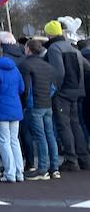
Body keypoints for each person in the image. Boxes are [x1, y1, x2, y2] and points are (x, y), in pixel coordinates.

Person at [44, 20, 90, 171]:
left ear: (49, 34)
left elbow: (59, 72)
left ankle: (71, 159)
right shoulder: (74, 49)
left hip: (63, 93)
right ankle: (84, 158)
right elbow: (86, 66)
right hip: (77, 91)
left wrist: (54, 90)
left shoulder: (54, 49)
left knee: (64, 126)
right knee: (76, 124)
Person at [0, 42, 26, 182]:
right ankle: (19, 172)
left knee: (4, 141)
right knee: (14, 141)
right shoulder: (15, 68)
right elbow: (21, 88)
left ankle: (9, 172)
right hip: (15, 107)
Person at [23, 39, 61, 180]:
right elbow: (53, 87)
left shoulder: (26, 65)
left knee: (40, 136)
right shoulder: (49, 67)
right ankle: (54, 167)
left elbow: (26, 88)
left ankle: (42, 169)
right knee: (50, 135)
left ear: (29, 49)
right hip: (47, 103)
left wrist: (27, 103)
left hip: (35, 105)